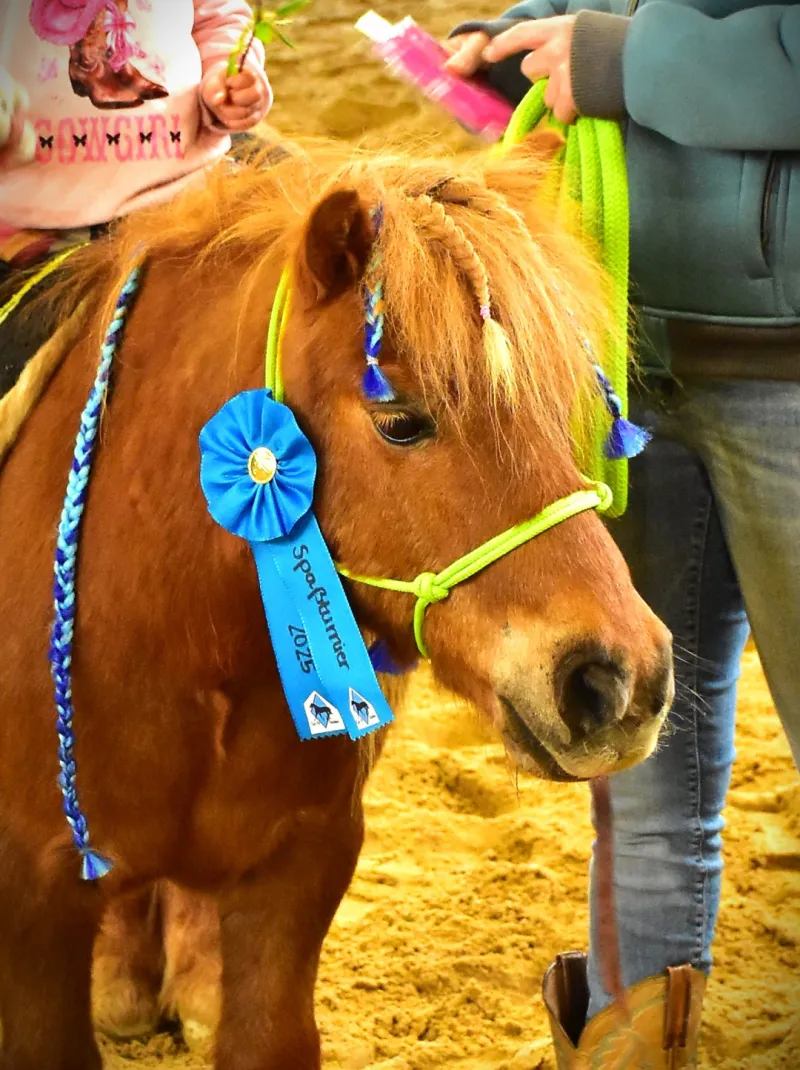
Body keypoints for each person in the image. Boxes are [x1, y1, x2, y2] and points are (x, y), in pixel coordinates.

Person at [446, 3, 800, 1066]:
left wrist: (615, 59)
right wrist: (528, 39)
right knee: (633, 754)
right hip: (627, 357)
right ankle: (623, 1042)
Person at [0, 0, 272, 268]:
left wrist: (227, 77)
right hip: (34, 222)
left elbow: (218, 18)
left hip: (183, 197)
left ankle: (117, 69)